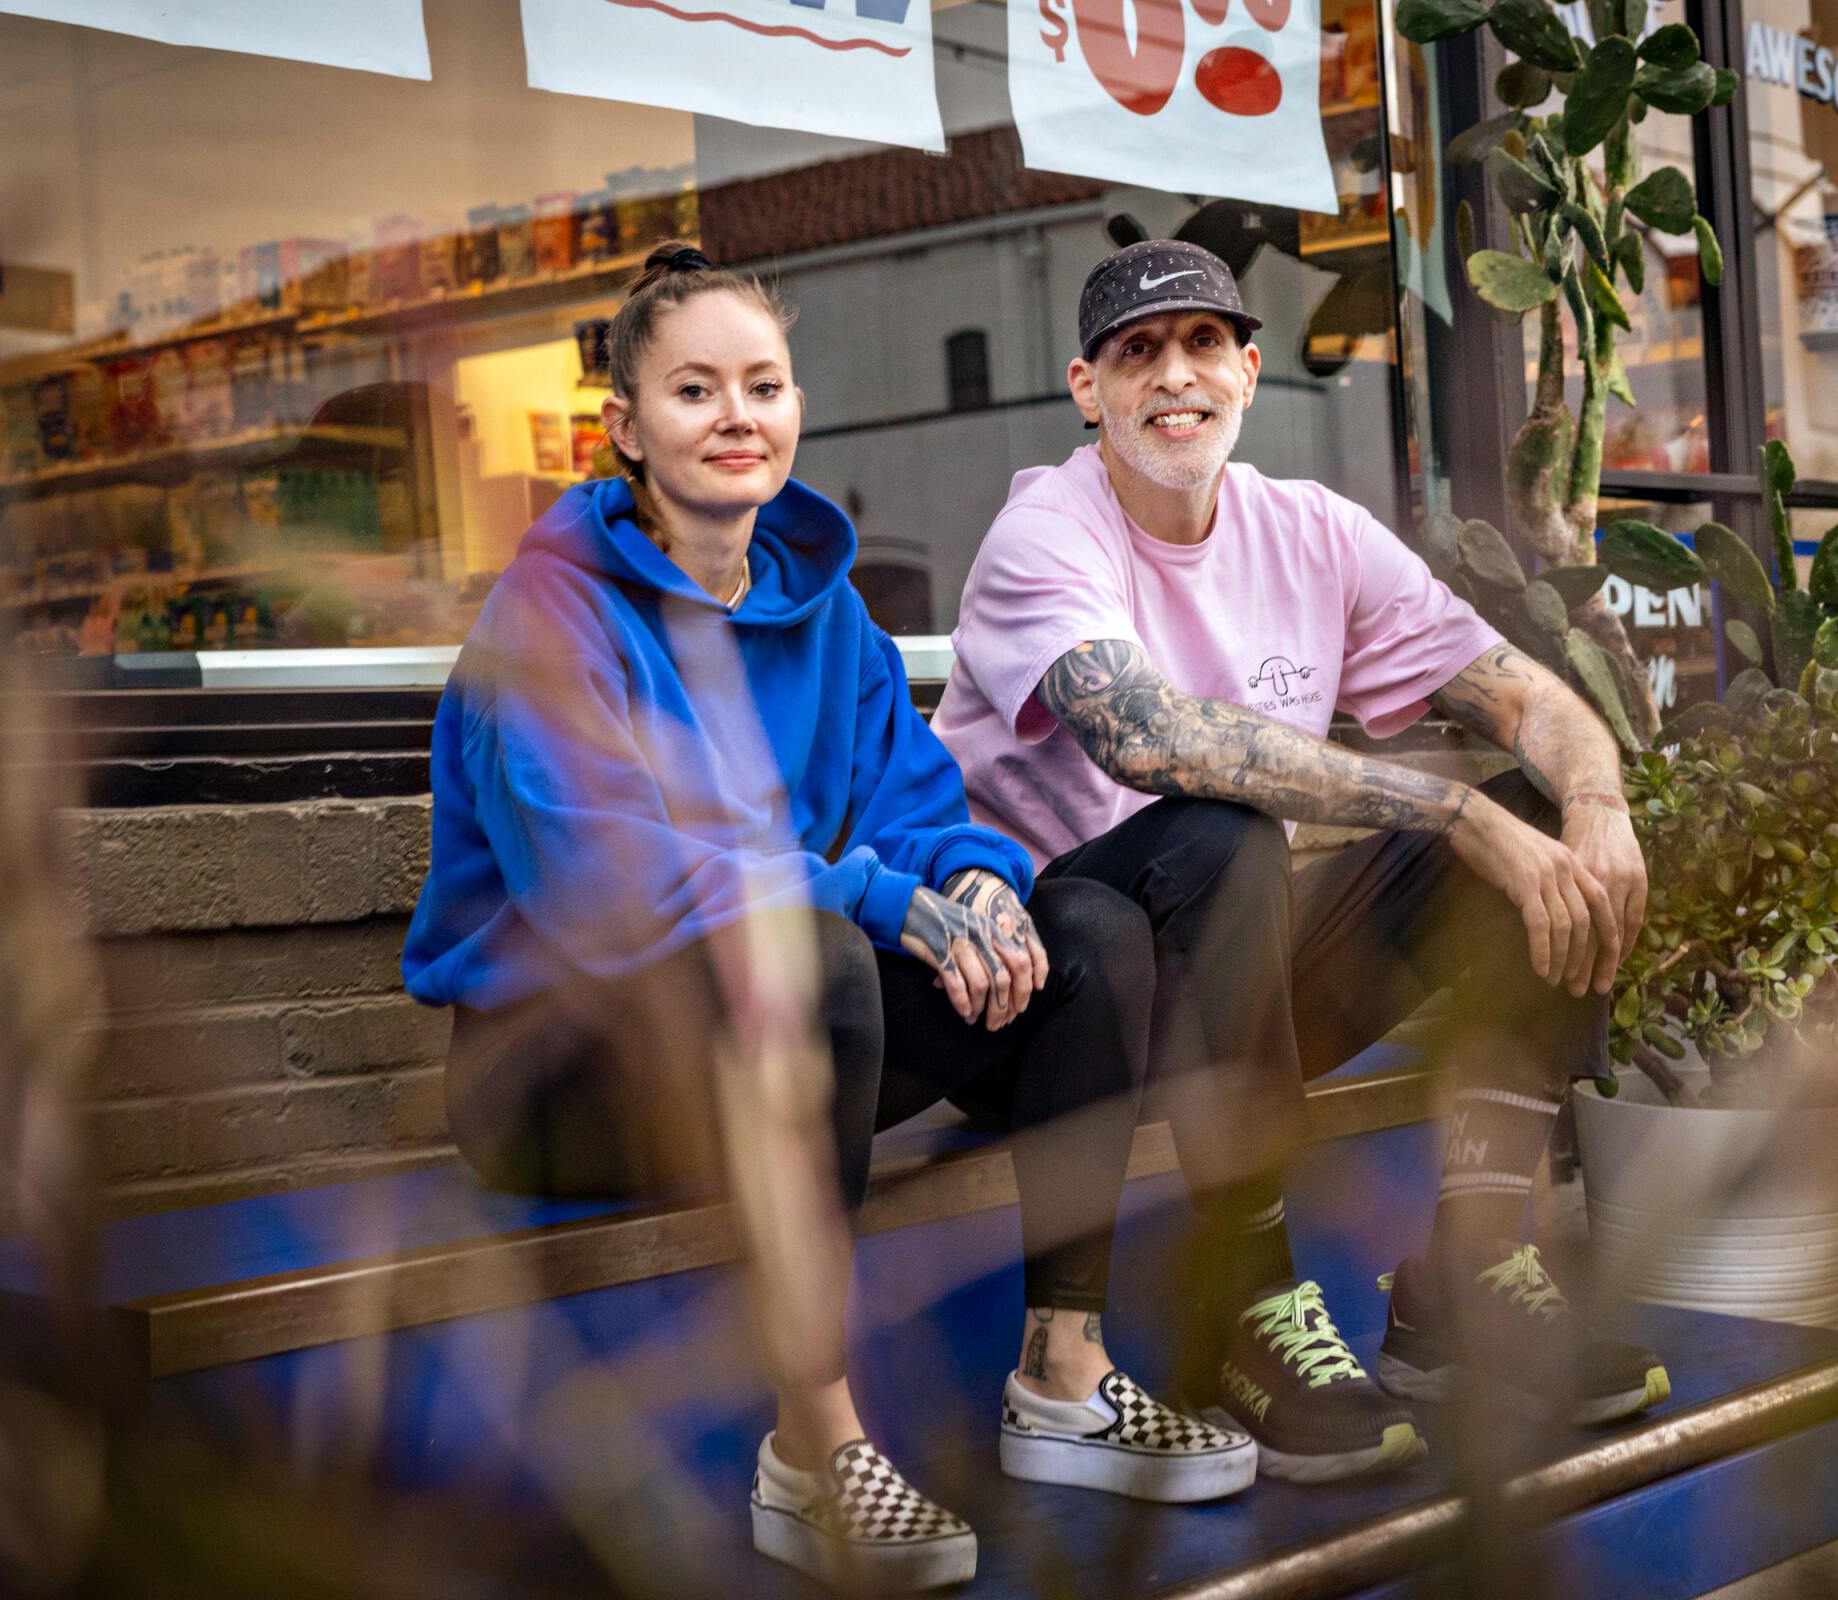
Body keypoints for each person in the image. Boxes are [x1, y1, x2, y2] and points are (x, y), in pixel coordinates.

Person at [401, 244, 1254, 1591]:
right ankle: (813, 1446)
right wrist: (875, 897)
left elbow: (922, 805)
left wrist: (975, 880)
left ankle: (1064, 1374)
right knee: (817, 952)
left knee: (1088, 932)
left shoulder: (829, 614)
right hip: (563, 1072)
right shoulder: (548, 622)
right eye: (695, 390)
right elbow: (607, 882)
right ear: (625, 427)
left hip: (768, 1058)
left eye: (764, 384)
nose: (739, 416)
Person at [933, 239, 1673, 1481]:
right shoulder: (1045, 531)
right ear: (1088, 388)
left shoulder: (1310, 531)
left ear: (1249, 369)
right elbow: (1148, 735)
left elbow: (1530, 701)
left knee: (1539, 837)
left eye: (1203, 343)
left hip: (1236, 995)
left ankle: (1468, 1277)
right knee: (1226, 833)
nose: (1175, 375)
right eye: (1138, 352)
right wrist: (1448, 815)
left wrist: (1595, 796)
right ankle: (1252, 1299)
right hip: (1054, 1013)